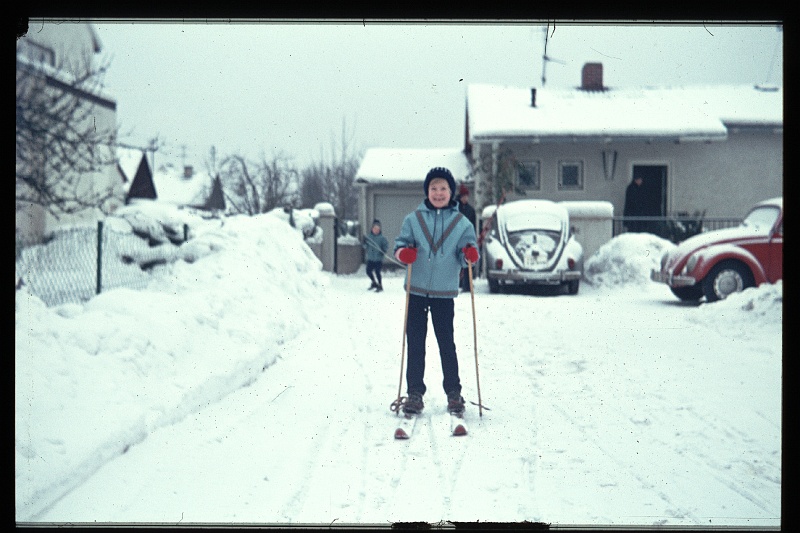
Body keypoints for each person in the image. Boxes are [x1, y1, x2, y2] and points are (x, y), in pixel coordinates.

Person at [394, 167, 479, 416]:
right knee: (416, 344)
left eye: (443, 188)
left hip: (444, 292)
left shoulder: (462, 223)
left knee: (446, 344)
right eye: (434, 188)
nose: (438, 193)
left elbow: (468, 255)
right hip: (416, 290)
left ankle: (454, 393)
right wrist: (404, 253)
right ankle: (414, 393)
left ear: (451, 192)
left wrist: (470, 255)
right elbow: (400, 246)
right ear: (427, 192)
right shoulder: (413, 220)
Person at [457, 184, 477, 292]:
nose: (465, 198)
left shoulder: (470, 210)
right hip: (456, 238)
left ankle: (467, 284)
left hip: (466, 238)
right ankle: (457, 282)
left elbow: (473, 225)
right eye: (463, 196)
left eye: (467, 196)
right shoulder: (455, 208)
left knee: (467, 261)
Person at [363, 219, 388, 292]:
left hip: (378, 259)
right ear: (372, 229)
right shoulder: (369, 237)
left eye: (378, 229)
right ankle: (374, 282)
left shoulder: (382, 238)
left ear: (379, 230)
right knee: (368, 271)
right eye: (375, 229)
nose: (376, 230)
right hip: (370, 258)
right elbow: (365, 247)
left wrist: (383, 250)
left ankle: (380, 285)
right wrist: (364, 243)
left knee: (377, 272)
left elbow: (386, 245)